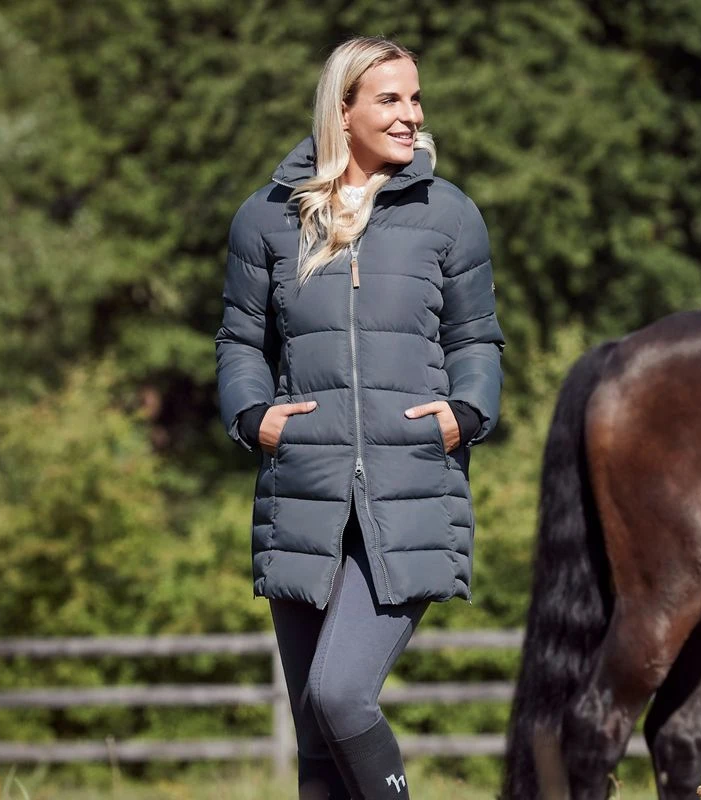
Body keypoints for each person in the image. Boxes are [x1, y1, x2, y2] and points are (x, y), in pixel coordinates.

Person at [215, 36, 504, 800]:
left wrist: (467, 411)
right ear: (341, 111)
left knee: (341, 696)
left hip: (411, 487)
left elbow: (476, 338)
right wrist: (251, 415)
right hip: (301, 494)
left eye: (415, 98)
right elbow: (240, 340)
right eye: (390, 99)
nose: (412, 115)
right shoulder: (266, 219)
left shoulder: (448, 215)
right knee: (316, 746)